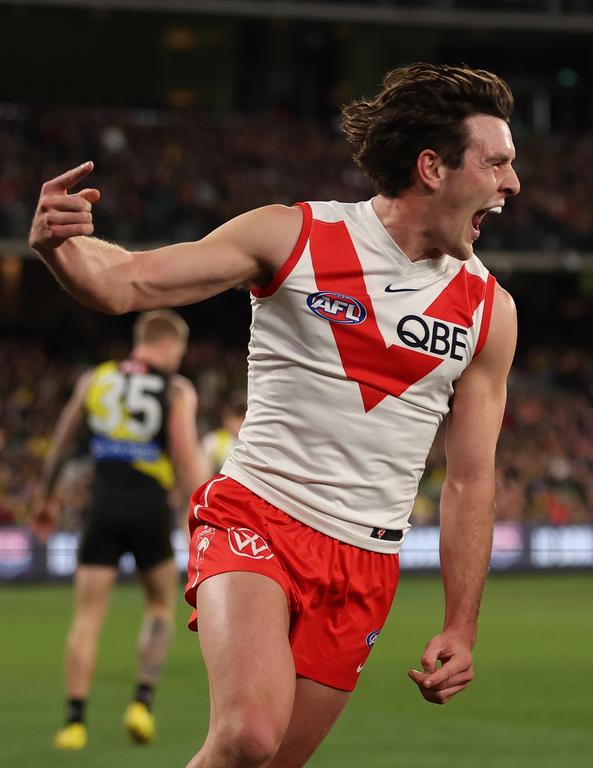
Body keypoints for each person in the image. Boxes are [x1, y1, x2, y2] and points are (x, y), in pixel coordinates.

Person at [29, 62, 519, 768]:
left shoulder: (489, 312)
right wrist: (60, 246)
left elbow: (472, 480)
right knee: (247, 737)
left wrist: (460, 624)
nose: (512, 185)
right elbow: (128, 281)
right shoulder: (296, 236)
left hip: (366, 562)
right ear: (432, 168)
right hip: (259, 518)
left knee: (266, 762)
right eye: (498, 163)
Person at [33, 310, 207, 750]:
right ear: (172, 345)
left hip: (102, 505)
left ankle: (74, 722)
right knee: (159, 607)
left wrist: (47, 499)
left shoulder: (96, 379)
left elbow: (61, 443)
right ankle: (141, 704)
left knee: (87, 618)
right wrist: (204, 520)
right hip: (149, 505)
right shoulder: (176, 388)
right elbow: (186, 459)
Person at [201, 391, 246, 474]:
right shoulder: (212, 441)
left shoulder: (251, 442)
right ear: (225, 415)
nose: (237, 419)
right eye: (234, 414)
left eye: (240, 414)